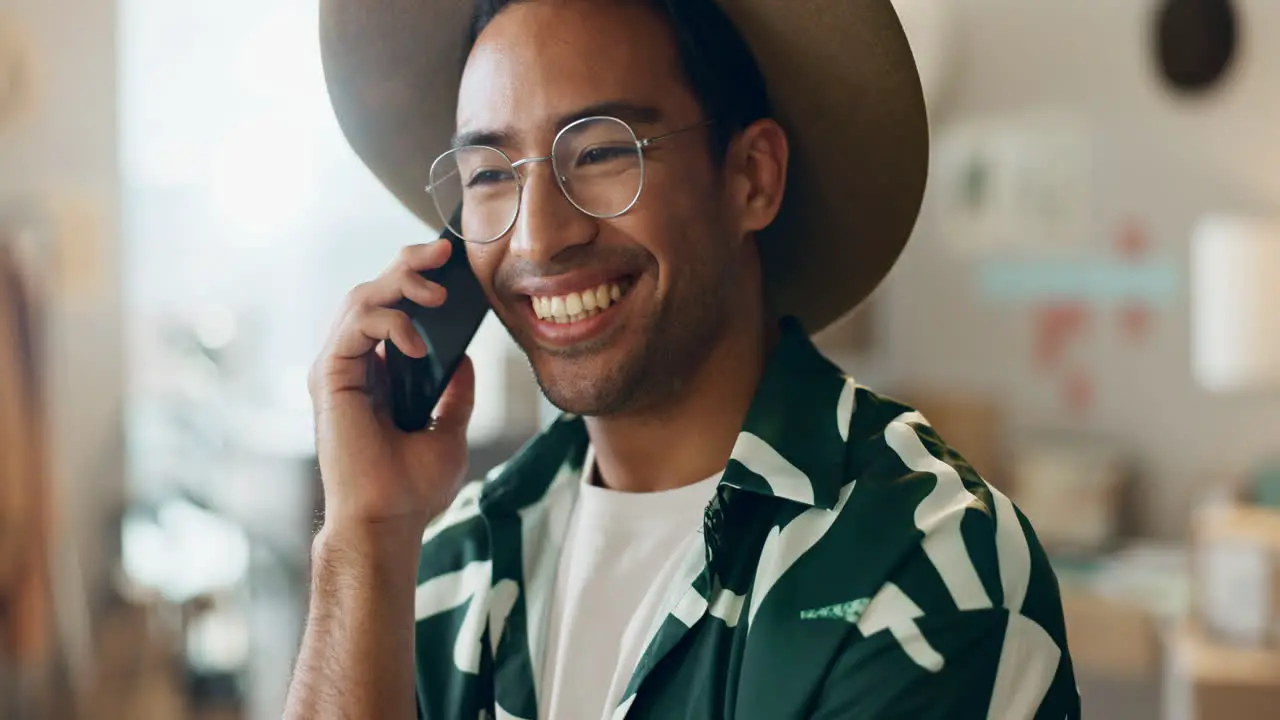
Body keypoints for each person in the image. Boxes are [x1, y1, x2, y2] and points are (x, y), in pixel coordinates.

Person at [286, 0, 1081, 718]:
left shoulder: (922, 561)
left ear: (751, 177)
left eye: (601, 152)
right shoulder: (450, 566)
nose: (537, 237)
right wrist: (365, 534)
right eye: (491, 175)